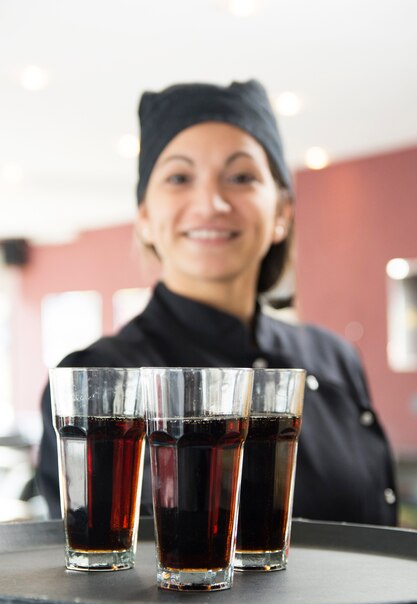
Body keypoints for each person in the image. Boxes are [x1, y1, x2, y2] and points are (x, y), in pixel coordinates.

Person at [36, 79, 397, 525]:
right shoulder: (95, 384)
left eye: (242, 177)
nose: (212, 202)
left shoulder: (334, 357)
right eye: (179, 177)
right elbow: (102, 575)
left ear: (282, 213)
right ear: (145, 218)